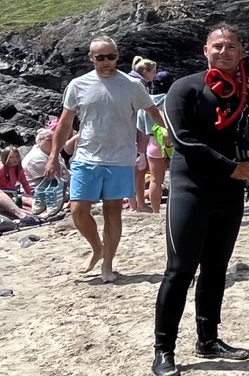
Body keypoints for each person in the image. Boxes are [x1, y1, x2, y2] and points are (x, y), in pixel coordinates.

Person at [151, 26, 249, 376]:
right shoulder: (186, 88)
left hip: (230, 191)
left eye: (231, 47)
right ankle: (164, 349)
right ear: (205, 50)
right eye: (218, 46)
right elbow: (182, 139)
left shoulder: (248, 97)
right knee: (179, 270)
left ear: (241, 52)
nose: (224, 51)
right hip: (191, 187)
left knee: (216, 268)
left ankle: (208, 339)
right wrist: (232, 167)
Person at [46, 36, 163, 282]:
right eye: (101, 58)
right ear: (91, 58)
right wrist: (53, 156)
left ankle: (107, 263)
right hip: (86, 156)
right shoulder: (78, 85)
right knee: (78, 210)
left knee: (113, 211)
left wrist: (172, 135)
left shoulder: (132, 85)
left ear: (118, 56)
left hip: (120, 157)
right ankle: (97, 248)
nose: (107, 62)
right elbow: (65, 123)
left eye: (111, 56)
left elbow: (153, 111)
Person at [138, 70, 174, 213]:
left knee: (155, 180)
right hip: (172, 141)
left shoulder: (146, 101)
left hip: (153, 142)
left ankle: (156, 211)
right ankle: (175, 209)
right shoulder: (171, 99)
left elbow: (140, 127)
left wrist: (140, 152)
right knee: (177, 178)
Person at [129, 56, 157, 212]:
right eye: (153, 72)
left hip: (128, 134)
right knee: (138, 172)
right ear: (145, 72)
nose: (154, 75)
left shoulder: (129, 81)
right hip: (135, 135)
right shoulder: (138, 85)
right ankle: (138, 205)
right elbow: (142, 114)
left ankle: (136, 204)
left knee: (135, 173)